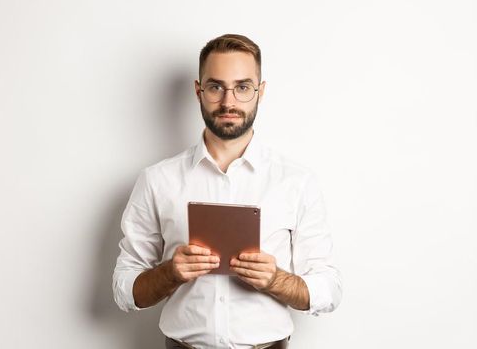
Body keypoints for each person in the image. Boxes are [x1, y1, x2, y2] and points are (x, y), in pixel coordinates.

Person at [112, 33, 342, 349]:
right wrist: (171, 272)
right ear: (199, 91)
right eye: (216, 87)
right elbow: (125, 290)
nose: (228, 101)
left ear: (260, 92)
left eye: (243, 87)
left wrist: (276, 280)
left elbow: (328, 290)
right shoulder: (157, 180)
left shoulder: (296, 182)